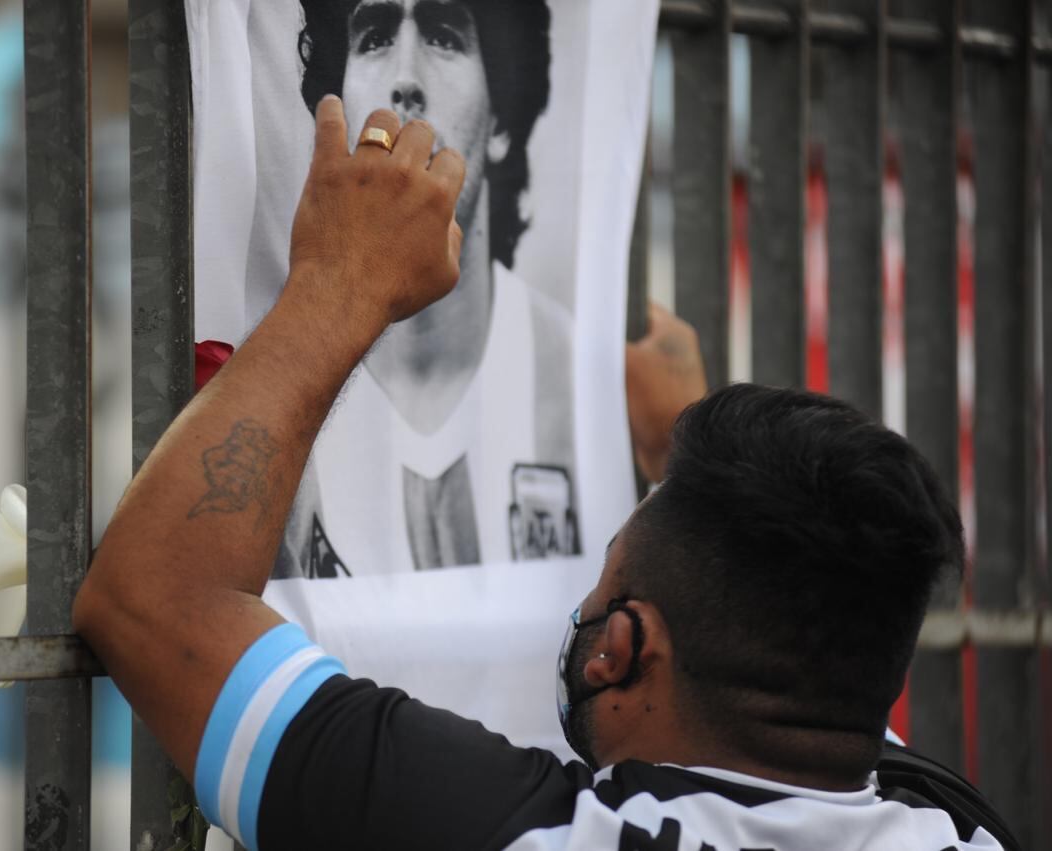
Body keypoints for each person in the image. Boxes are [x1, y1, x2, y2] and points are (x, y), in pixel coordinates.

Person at [74, 104, 1016, 850]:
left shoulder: (544, 835)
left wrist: (339, 288)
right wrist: (684, 456)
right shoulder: (953, 826)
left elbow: (153, 600)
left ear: (620, 650)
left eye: (602, 587)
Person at [276, 0, 575, 576]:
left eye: (442, 36)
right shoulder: (272, 372)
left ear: (503, 120)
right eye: (375, 37)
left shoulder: (580, 374)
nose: (406, 80)